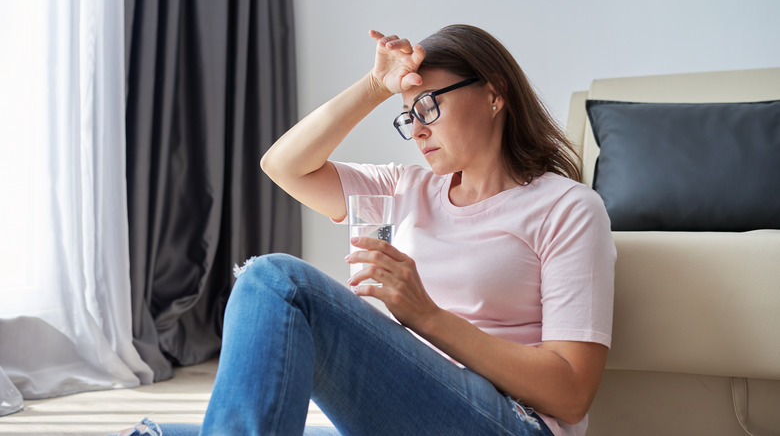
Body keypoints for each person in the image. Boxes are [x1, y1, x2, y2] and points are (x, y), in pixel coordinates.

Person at [114, 24, 615, 436]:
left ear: (494, 94)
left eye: (428, 107)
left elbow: (571, 394)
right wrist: (376, 86)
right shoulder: (405, 187)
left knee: (277, 282)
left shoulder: (567, 207)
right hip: (406, 414)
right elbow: (283, 165)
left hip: (509, 422)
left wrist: (427, 316)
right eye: (407, 116)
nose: (417, 129)